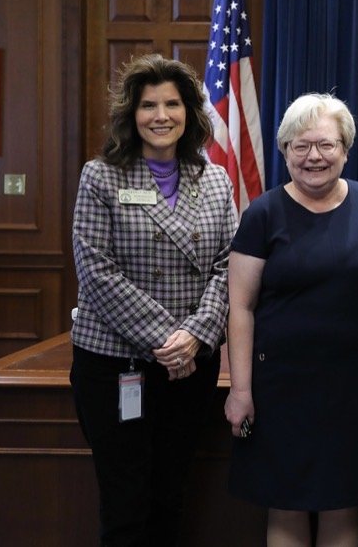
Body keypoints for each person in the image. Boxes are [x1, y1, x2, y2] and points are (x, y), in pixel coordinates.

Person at [70, 54, 237, 546]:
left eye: (172, 104)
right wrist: (169, 340)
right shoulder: (101, 177)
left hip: (191, 364)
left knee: (170, 494)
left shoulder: (215, 179)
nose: (161, 116)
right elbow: (96, 270)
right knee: (125, 503)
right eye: (148, 105)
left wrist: (196, 336)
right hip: (116, 364)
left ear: (189, 112)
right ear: (132, 114)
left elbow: (230, 266)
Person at [224, 93, 358, 546]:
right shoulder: (263, 213)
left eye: (326, 144)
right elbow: (241, 307)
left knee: (342, 504)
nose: (314, 156)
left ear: (345, 150)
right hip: (281, 386)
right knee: (286, 504)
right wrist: (240, 390)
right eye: (301, 145)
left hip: (354, 386)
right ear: (285, 151)